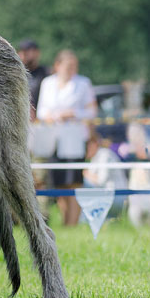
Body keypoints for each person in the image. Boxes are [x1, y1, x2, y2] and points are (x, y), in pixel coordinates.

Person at [35, 49, 97, 226]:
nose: (72, 70)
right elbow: (42, 111)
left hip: (75, 139)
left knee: (74, 181)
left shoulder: (83, 83)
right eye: (69, 66)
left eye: (74, 66)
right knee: (60, 182)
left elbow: (92, 111)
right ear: (58, 66)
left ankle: (73, 223)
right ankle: (66, 220)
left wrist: (73, 113)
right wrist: (55, 116)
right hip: (54, 139)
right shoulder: (48, 83)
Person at [17, 39, 48, 111]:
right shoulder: (15, 74)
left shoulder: (46, 73)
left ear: (37, 53)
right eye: (22, 51)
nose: (24, 54)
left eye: (28, 51)